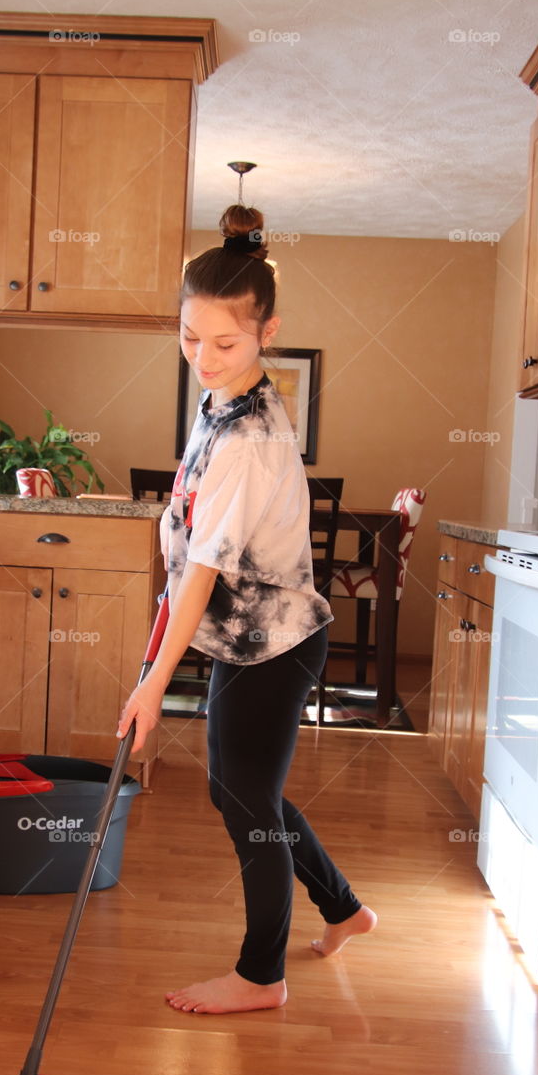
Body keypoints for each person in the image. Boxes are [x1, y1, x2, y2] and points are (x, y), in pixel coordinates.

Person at [117, 205, 377, 1015]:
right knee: (243, 793)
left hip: (273, 643)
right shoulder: (218, 405)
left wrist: (155, 684)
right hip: (246, 640)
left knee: (245, 803)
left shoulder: (250, 435)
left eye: (223, 342)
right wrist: (160, 653)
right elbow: (186, 540)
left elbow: (201, 570)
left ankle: (261, 977)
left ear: (267, 332)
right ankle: (343, 910)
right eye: (189, 336)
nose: (202, 356)